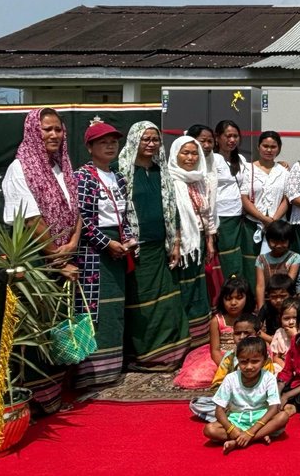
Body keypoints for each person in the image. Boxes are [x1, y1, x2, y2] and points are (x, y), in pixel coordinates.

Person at [2, 107, 81, 408]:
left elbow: (75, 211)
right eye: (46, 129)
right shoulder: (19, 169)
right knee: (36, 331)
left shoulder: (63, 167)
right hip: (36, 265)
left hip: (64, 259)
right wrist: (58, 259)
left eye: (58, 129)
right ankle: (32, 404)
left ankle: (54, 398)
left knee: (57, 329)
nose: (53, 135)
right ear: (33, 130)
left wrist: (72, 242)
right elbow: (31, 220)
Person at [117, 122, 190, 371]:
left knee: (168, 302)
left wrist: (176, 243)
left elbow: (172, 210)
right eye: (145, 139)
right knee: (142, 305)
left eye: (155, 139)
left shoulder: (162, 172)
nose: (150, 144)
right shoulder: (122, 172)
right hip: (137, 250)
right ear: (135, 140)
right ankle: (146, 356)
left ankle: (172, 353)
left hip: (162, 248)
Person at [73, 119, 136, 389]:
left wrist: (130, 240)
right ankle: (91, 374)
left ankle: (113, 370)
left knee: (115, 310)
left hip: (119, 249)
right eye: (103, 142)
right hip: (93, 253)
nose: (110, 146)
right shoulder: (83, 177)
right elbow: (82, 220)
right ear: (89, 147)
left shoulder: (118, 176)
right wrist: (106, 244)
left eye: (113, 141)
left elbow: (126, 213)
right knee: (94, 309)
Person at [202, 336, 289, 455]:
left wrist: (250, 432)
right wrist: (231, 429)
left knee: (283, 416)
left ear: (264, 360)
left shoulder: (268, 377)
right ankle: (257, 437)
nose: (249, 367)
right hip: (237, 420)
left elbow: (274, 408)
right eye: (244, 361)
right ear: (238, 360)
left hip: (261, 420)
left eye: (255, 361)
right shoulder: (230, 378)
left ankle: (238, 442)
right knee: (209, 429)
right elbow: (219, 411)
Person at [169, 135, 217, 343]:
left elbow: (206, 212)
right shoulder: (170, 179)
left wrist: (209, 241)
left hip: (197, 241)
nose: (190, 157)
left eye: (194, 153)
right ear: (175, 154)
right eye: (185, 153)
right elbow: (172, 215)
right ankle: (182, 333)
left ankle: (199, 334)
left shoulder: (200, 178)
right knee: (182, 287)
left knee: (198, 285)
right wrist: (177, 242)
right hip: (179, 243)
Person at [176, 275, 252, 389]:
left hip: (248, 355)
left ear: (247, 298)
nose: (233, 302)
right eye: (228, 298)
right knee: (198, 375)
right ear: (222, 299)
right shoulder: (217, 321)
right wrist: (226, 367)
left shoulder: (251, 319)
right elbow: (215, 350)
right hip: (221, 357)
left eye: (239, 298)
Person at [211, 120, 253, 292]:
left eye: (235, 136)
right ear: (217, 138)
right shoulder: (212, 159)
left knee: (237, 256)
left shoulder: (241, 159)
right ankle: (225, 293)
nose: (232, 140)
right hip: (221, 216)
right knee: (226, 257)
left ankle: (240, 292)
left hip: (239, 215)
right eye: (228, 136)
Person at [240, 130, 290, 269]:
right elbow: (244, 197)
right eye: (265, 146)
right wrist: (263, 218)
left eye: (273, 147)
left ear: (279, 149)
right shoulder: (247, 169)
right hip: (252, 223)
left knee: (275, 263)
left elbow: (286, 199)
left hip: (277, 225)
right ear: (258, 147)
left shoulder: (284, 172)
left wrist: (273, 220)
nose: (269, 150)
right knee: (251, 262)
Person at [254, 220, 299, 309]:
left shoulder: (295, 257)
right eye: (274, 241)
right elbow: (260, 286)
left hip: (286, 302)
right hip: (268, 301)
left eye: (282, 242)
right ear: (268, 240)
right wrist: (261, 309)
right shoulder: (261, 259)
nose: (278, 245)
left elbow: (289, 283)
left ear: (289, 241)